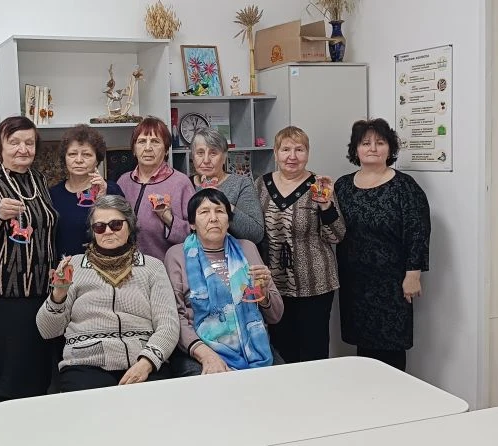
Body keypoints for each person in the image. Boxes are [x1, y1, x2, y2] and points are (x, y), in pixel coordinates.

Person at [36, 195, 179, 391]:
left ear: (130, 225)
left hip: (144, 360)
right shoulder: (74, 266)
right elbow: (47, 330)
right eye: (99, 227)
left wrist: (147, 362)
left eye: (116, 225)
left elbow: (168, 325)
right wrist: (58, 295)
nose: (108, 231)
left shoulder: (152, 267)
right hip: (85, 365)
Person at [0, 116, 59, 407]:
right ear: (1, 146)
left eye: (29, 143)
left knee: (37, 375)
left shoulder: (39, 180)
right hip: (2, 297)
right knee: (7, 379)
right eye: (14, 142)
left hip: (40, 294)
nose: (23, 149)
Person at [335, 118, 430, 371]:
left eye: (380, 142)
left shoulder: (404, 186)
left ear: (390, 148)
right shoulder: (342, 186)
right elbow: (334, 227)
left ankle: (395, 394)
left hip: (392, 282)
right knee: (363, 348)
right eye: (365, 143)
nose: (373, 148)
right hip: (354, 281)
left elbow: (418, 232)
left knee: (391, 347)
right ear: (356, 149)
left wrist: (413, 274)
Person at [165, 188, 284, 376]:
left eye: (220, 211)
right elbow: (175, 317)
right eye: (204, 212)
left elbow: (275, 316)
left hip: (256, 348)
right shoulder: (177, 255)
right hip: (200, 349)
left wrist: (263, 294)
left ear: (228, 220)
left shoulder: (247, 248)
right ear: (192, 224)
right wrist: (206, 356)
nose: (213, 218)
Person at [255, 126, 346, 364]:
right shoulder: (261, 184)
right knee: (280, 350)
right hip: (274, 283)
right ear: (276, 153)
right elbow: (254, 229)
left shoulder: (319, 184)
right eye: (285, 149)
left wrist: (326, 206)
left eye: (299, 149)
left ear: (308, 153)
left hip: (315, 283)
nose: (292, 156)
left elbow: (337, 235)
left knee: (313, 351)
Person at [116, 116, 195, 261]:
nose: (147, 148)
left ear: (166, 150)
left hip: (164, 267)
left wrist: (168, 218)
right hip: (124, 266)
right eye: (141, 141)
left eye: (155, 142)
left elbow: (194, 235)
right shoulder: (123, 182)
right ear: (134, 149)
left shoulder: (181, 183)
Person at [49, 124, 123, 257]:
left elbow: (124, 232)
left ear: (97, 160)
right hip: (64, 266)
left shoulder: (111, 190)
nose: (79, 160)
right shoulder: (53, 194)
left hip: (104, 265)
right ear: (64, 158)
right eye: (72, 154)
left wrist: (102, 198)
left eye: (87, 154)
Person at [189, 127, 263, 244]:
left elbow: (256, 234)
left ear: (224, 157)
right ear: (193, 157)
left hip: (235, 253)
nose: (206, 160)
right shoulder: (186, 184)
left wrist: (222, 201)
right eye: (200, 153)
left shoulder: (241, 184)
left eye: (213, 153)